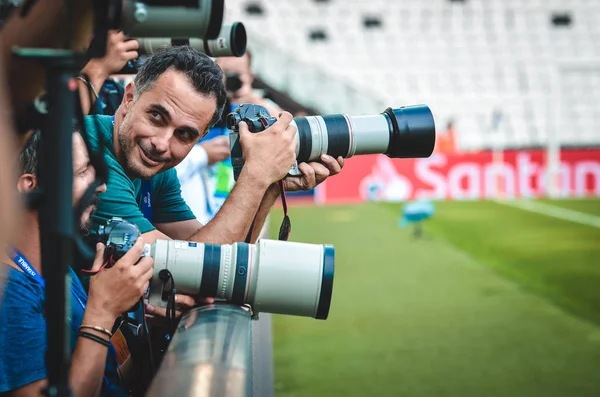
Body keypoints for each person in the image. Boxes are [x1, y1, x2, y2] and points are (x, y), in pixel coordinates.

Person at [86, 46, 343, 249]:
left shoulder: (157, 169)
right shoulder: (88, 156)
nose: (162, 144)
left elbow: (217, 259)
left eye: (185, 134)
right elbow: (191, 269)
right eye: (156, 116)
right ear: (129, 97)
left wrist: (271, 186)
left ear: (202, 135)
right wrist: (255, 175)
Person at [0, 129, 154, 397]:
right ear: (30, 186)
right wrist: (102, 310)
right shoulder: (9, 295)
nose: (101, 186)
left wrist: (140, 316)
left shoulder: (54, 267)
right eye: (83, 172)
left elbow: (109, 375)